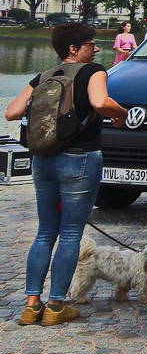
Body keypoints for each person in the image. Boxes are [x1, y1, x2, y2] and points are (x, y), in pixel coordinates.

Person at [5, 22, 128, 326]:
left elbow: (12, 112)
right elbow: (100, 102)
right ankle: (57, 305)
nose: (96, 49)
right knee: (71, 232)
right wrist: (121, 113)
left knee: (46, 231)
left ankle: (32, 304)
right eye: (90, 44)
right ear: (74, 49)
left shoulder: (43, 77)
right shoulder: (94, 71)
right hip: (79, 158)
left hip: (43, 159)